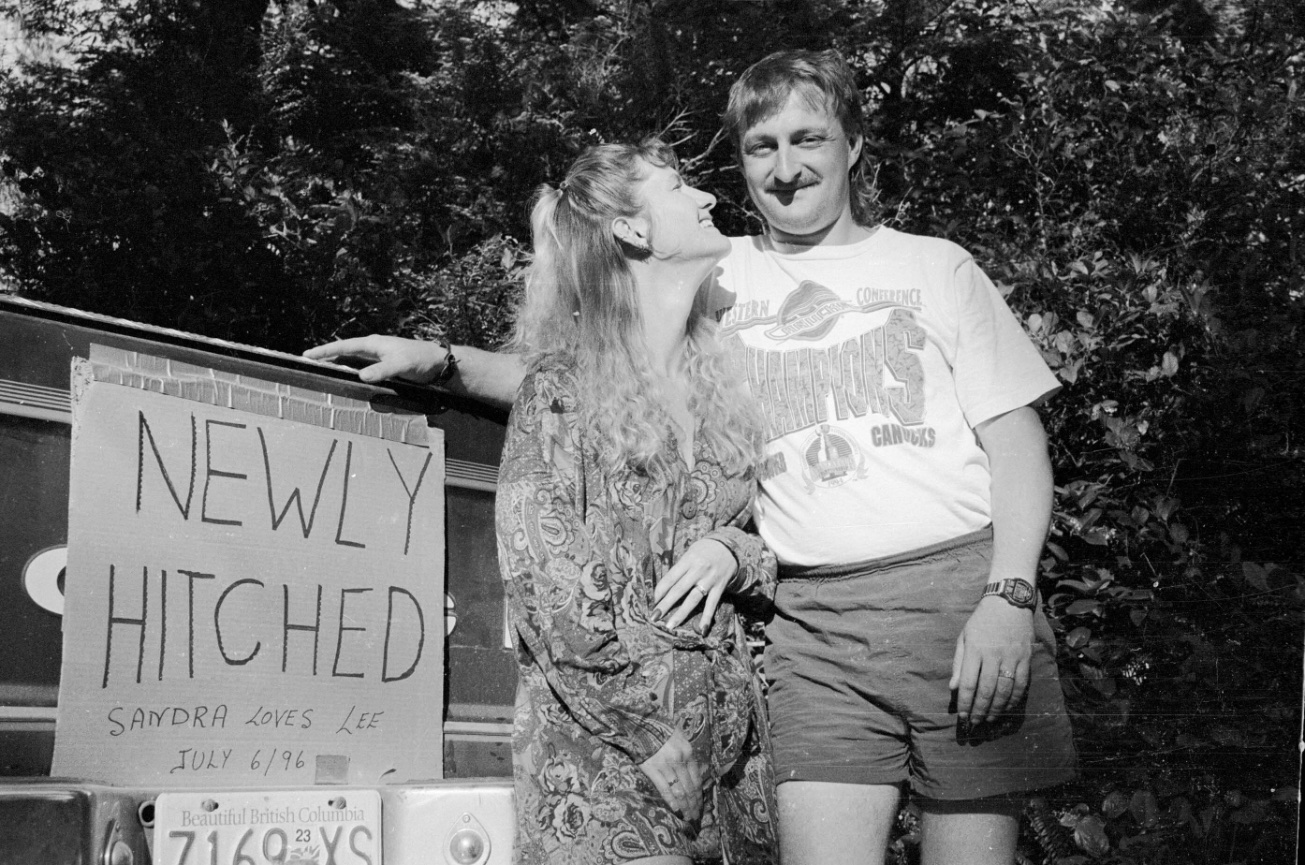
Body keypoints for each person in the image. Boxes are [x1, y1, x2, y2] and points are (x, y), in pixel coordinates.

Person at [307, 49, 1076, 865]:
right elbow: (594, 375)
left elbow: (1017, 443)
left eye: (807, 138)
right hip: (811, 625)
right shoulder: (721, 274)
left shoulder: (935, 266)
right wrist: (445, 360)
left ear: (851, 144)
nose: (785, 168)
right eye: (760, 147)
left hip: (958, 599)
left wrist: (1009, 593)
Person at [497, 139, 778, 865]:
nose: (707, 197)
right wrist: (647, 733)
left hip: (726, 757)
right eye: (679, 186)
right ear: (632, 230)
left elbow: (758, 535)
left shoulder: (721, 389)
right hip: (603, 752)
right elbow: (544, 586)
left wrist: (733, 551)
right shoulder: (560, 391)